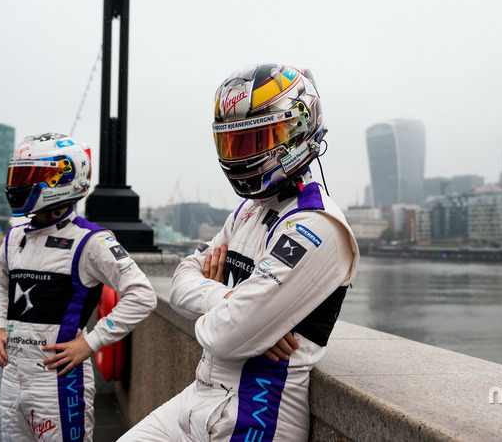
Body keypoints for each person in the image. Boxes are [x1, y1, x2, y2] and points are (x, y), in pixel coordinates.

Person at [121, 63, 359, 441]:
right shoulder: (249, 210)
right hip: (199, 395)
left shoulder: (318, 225)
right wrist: (229, 298)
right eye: (235, 143)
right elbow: (180, 280)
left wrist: (226, 310)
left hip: (253, 415)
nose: (241, 156)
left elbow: (224, 335)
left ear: (297, 128)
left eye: (255, 141)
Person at [0, 132, 157, 442]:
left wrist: (91, 342)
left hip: (58, 381)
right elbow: (1, 286)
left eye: (29, 176)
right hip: (11, 378)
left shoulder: (91, 240)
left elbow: (143, 295)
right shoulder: (13, 238)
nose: (18, 184)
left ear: (62, 178)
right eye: (18, 175)